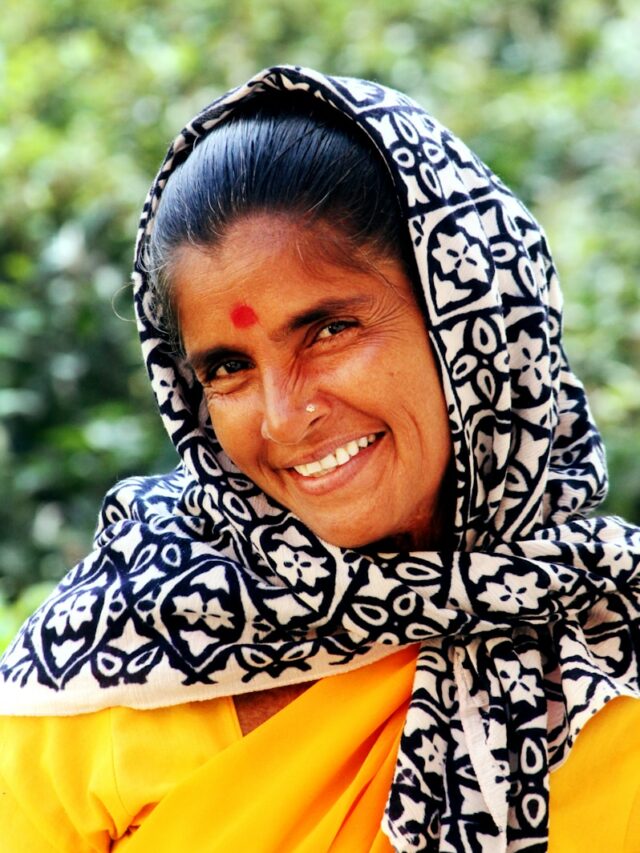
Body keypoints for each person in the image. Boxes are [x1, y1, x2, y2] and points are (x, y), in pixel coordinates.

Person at [0, 64, 638, 852]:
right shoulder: (117, 648)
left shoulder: (613, 644)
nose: (283, 415)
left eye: (329, 329)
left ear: (470, 318)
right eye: (227, 367)